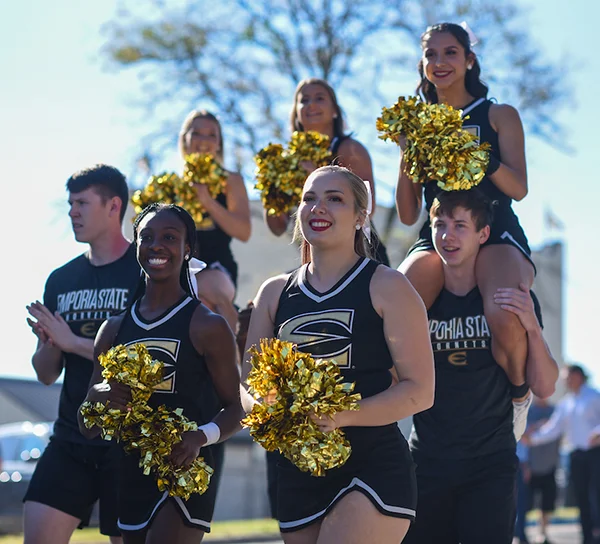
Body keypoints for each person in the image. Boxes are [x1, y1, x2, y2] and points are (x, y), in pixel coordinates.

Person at [243, 165, 434, 543]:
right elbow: (248, 382)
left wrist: (339, 415)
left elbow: (419, 391)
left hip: (372, 467)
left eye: (335, 199)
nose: (319, 208)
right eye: (309, 198)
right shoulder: (274, 293)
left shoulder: (386, 285)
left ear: (360, 217)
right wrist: (265, 409)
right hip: (299, 470)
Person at [79, 203, 243, 543]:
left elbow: (237, 408)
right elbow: (88, 426)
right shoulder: (112, 330)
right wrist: (97, 398)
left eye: (170, 237)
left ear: (187, 250)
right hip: (128, 472)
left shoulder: (207, 325)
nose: (156, 245)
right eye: (147, 237)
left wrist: (200, 437)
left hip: (184, 473)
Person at [404, 189, 557, 544]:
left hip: (490, 462)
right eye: (441, 225)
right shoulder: (419, 300)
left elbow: (546, 386)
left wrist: (532, 326)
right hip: (427, 460)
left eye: (460, 226)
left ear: (483, 234)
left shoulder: (508, 299)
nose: (448, 235)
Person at [395, 22, 534, 403]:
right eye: (430, 55)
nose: (439, 62)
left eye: (450, 53)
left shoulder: (498, 114)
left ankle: (519, 398)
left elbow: (519, 190)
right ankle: (390, 411)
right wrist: (407, 149)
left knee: (504, 313)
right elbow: (408, 214)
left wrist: (477, 156)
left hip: (495, 230)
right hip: (437, 235)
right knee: (394, 309)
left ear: (469, 59)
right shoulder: (418, 124)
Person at [24, 164, 140, 544]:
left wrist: (72, 342)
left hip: (128, 441)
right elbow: (45, 374)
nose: (72, 212)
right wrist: (49, 342)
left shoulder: (145, 271)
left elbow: (144, 365)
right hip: (72, 437)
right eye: (70, 203)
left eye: (82, 203)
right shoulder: (61, 279)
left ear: (113, 206)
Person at [265, 78, 390, 266]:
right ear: (296, 113)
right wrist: (272, 189)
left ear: (334, 111)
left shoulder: (350, 149)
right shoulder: (285, 161)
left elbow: (368, 209)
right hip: (315, 260)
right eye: (304, 100)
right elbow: (277, 227)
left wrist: (314, 176)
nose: (311, 104)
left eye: (319, 98)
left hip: (360, 255)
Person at [178, 109, 252, 331]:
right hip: (178, 268)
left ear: (219, 143)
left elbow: (243, 231)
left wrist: (207, 201)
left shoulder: (231, 180)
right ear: (185, 139)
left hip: (218, 266)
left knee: (210, 291)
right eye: (197, 133)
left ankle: (231, 359)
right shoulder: (171, 184)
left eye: (212, 135)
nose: (204, 141)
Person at [524, 365, 600, 544]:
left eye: (568, 377)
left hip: (595, 454)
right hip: (576, 456)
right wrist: (532, 439)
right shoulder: (566, 403)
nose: (566, 381)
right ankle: (587, 537)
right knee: (582, 496)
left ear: (579, 376)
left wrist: (597, 432)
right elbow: (553, 428)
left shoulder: (594, 396)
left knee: (596, 495)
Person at [515, 396, 560, 544]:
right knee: (525, 504)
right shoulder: (529, 411)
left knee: (546, 504)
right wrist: (525, 465)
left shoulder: (555, 411)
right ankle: (521, 534)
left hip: (549, 465)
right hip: (530, 467)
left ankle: (542, 534)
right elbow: (522, 437)